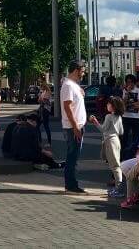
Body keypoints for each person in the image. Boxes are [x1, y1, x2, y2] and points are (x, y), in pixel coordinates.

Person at [61, 59, 88, 195]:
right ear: (76, 70)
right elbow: (67, 107)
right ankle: (71, 185)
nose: (83, 74)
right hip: (73, 127)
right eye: (82, 71)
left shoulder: (73, 85)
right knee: (72, 157)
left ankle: (71, 184)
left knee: (73, 156)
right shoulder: (68, 86)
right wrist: (75, 127)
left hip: (76, 126)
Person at [89, 95, 125, 197]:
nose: (107, 105)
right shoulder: (119, 117)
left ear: (113, 106)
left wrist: (95, 122)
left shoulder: (108, 116)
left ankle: (119, 189)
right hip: (116, 141)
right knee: (116, 165)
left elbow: (103, 129)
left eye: (109, 103)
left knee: (115, 166)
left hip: (110, 141)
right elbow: (121, 131)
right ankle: (118, 188)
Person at [120, 74, 139, 156]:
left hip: (136, 117)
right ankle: (123, 154)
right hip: (126, 116)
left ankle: (134, 154)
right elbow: (123, 103)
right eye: (128, 82)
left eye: (132, 82)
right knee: (124, 136)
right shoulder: (125, 91)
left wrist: (132, 104)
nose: (130, 84)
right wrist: (127, 92)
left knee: (136, 137)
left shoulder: (138, 91)